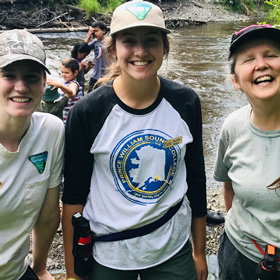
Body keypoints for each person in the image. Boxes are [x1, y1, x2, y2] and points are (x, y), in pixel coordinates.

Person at [62, 1, 208, 280]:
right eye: (129, 41)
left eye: (151, 41)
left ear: (165, 47)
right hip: (108, 252)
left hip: (172, 247)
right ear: (113, 48)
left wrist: (199, 251)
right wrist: (72, 273)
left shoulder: (185, 102)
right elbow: (74, 196)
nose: (141, 51)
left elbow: (196, 179)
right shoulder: (89, 111)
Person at [214, 24, 280, 279]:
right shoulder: (232, 126)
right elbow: (228, 185)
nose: (261, 64)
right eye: (249, 59)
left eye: (271, 55)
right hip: (239, 256)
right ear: (235, 81)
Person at [0, 29, 64, 280]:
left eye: (31, 76)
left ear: (45, 83)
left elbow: (48, 215)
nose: (21, 86)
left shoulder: (51, 131)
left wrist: (39, 268)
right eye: (9, 75)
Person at [47, 58, 82, 123]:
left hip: (71, 119)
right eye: (62, 72)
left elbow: (72, 93)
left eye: (66, 73)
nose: (63, 74)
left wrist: (60, 85)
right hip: (64, 117)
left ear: (75, 72)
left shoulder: (74, 84)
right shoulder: (65, 83)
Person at [85, 21, 108, 92]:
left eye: (97, 31)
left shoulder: (109, 42)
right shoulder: (95, 42)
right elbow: (82, 49)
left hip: (105, 76)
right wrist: (88, 36)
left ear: (104, 31)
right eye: (94, 32)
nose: (95, 33)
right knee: (89, 96)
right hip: (95, 75)